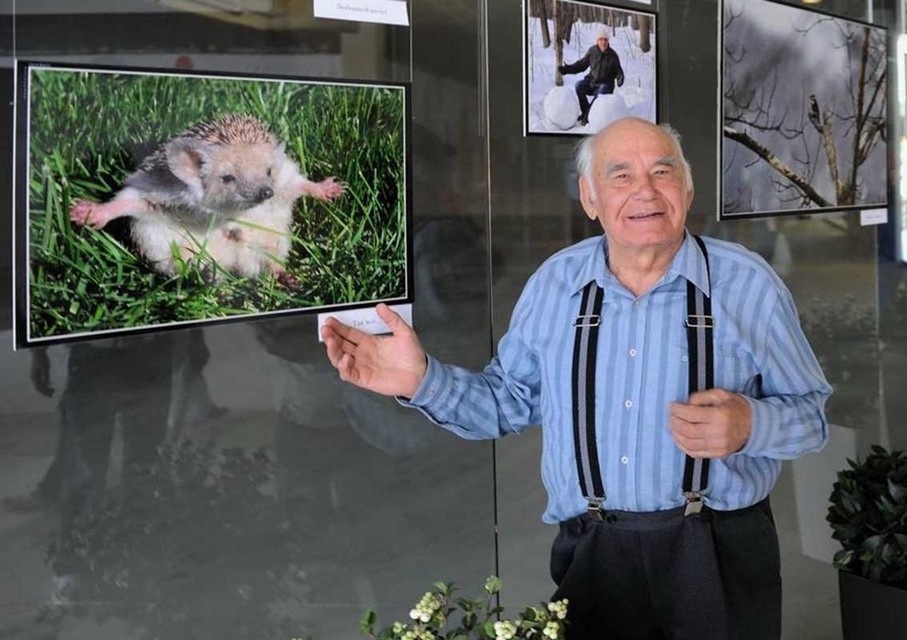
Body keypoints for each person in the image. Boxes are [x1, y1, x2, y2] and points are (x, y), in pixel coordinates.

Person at [321, 117, 832, 640]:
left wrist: (751, 424)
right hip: (593, 552)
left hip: (719, 552)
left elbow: (811, 415)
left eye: (663, 171)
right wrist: (420, 379)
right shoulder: (555, 284)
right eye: (621, 176)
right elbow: (507, 403)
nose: (646, 191)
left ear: (688, 186)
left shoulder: (748, 284)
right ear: (589, 197)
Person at [558, 28, 625, 126]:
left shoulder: (613, 55)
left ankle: (587, 116)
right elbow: (581, 65)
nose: (603, 42)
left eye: (605, 40)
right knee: (579, 85)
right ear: (597, 41)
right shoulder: (592, 51)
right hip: (592, 82)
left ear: (608, 41)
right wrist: (567, 69)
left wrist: (620, 78)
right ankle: (586, 112)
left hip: (606, 85)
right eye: (601, 39)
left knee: (601, 92)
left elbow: (619, 71)